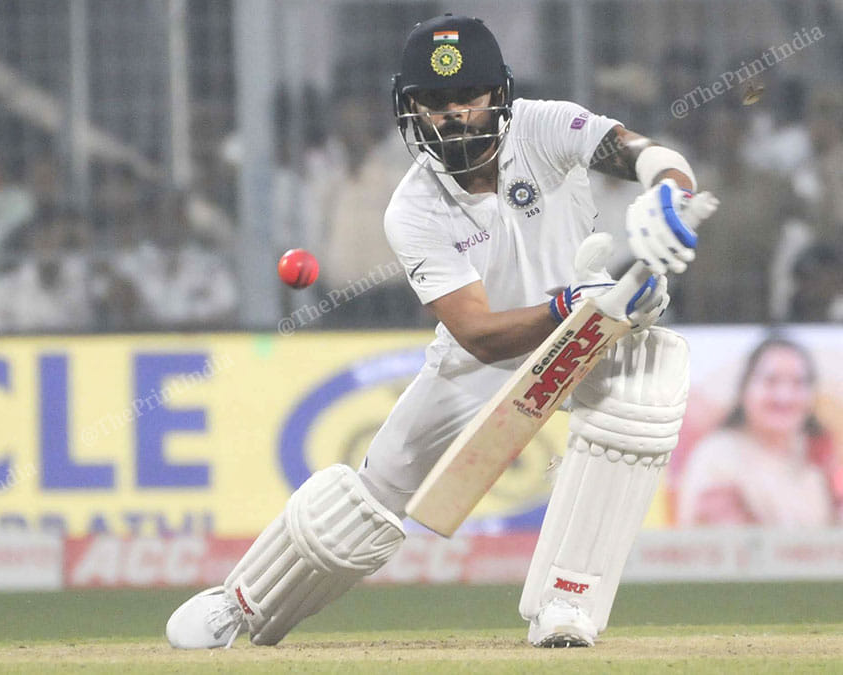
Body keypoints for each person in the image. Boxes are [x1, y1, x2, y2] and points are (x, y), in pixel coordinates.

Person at [165, 14, 718, 650]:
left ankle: (568, 605)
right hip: (481, 361)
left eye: (468, 97)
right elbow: (479, 334)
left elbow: (644, 152)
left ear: (499, 96)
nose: (453, 115)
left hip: (589, 335)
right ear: (411, 109)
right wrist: (572, 301)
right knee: (372, 495)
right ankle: (244, 603)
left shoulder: (544, 125)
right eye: (434, 102)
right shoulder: (413, 208)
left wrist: (669, 194)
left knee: (641, 399)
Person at [677, 337, 842, 527]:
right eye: (771, 381)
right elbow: (727, 542)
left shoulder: (817, 458)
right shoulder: (719, 456)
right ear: (745, 389)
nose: (784, 396)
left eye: (798, 383)